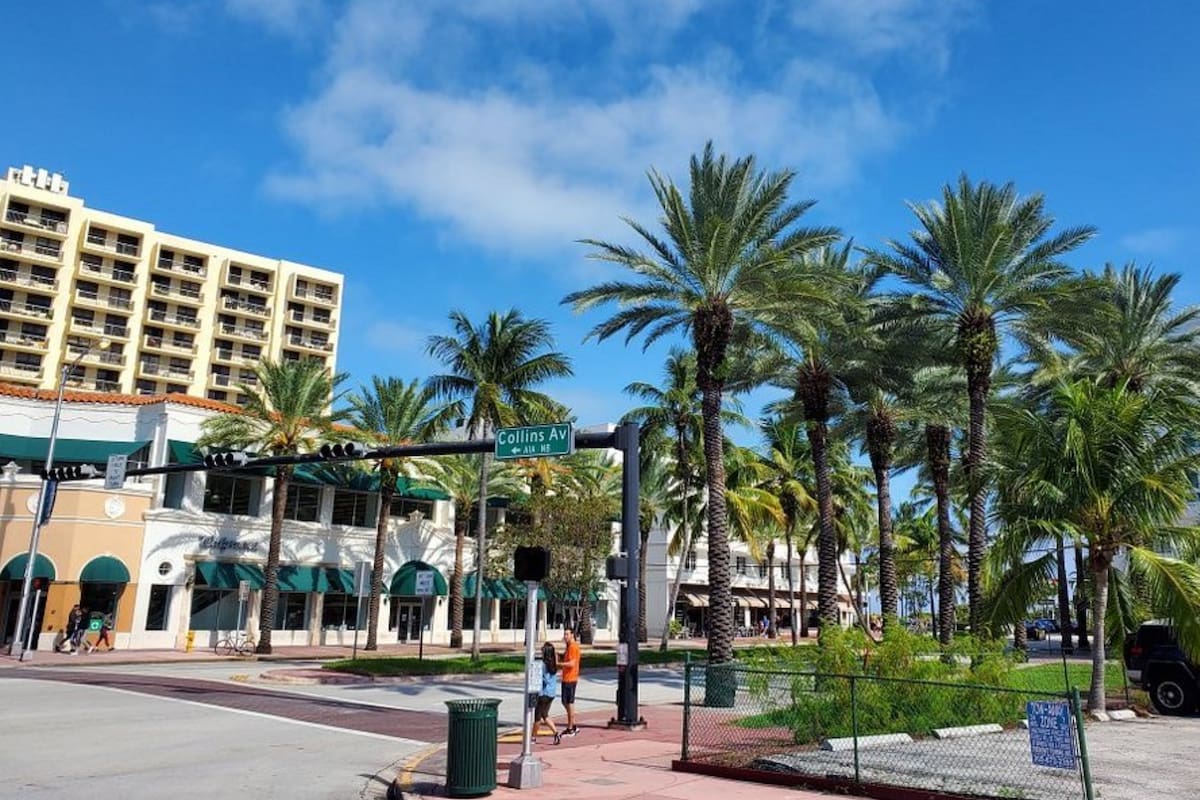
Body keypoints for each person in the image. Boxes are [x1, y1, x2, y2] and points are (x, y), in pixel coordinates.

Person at [534, 642, 562, 745]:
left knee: (537, 716)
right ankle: (556, 733)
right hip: (551, 693)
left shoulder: (543, 665)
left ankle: (533, 737)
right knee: (545, 715)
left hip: (543, 694)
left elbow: (543, 679)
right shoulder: (554, 664)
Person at [560, 628, 581, 736]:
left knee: (569, 702)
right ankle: (572, 723)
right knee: (565, 702)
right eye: (564, 634)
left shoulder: (573, 647)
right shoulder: (569, 647)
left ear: (572, 635)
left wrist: (559, 664)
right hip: (566, 678)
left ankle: (571, 727)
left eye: (567, 634)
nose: (565, 636)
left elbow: (572, 663)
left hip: (570, 679)